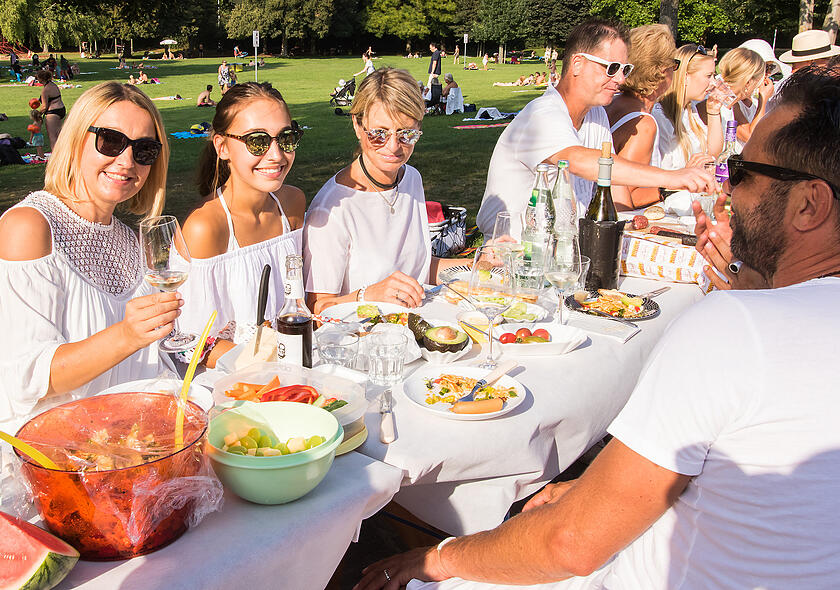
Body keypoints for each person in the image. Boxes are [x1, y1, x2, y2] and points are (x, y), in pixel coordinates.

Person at [357, 66, 840, 590]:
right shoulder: (758, 319)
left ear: (810, 204)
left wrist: (438, 559)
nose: (727, 191)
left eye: (742, 173)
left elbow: (569, 545)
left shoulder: (733, 328)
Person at [0, 81, 174, 443]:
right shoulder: (29, 228)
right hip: (28, 457)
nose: (126, 161)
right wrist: (126, 335)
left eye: (144, 150)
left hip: (110, 447)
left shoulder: (131, 241)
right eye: (111, 140)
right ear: (75, 140)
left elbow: (144, 363)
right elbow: (27, 377)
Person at [476, 19, 713, 237]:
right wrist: (673, 179)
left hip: (567, 251)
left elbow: (611, 181)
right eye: (611, 68)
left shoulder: (596, 113)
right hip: (513, 254)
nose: (620, 79)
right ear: (577, 64)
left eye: (625, 69)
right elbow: (580, 161)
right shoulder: (542, 114)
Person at [303, 67, 460, 312]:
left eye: (407, 134)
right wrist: (368, 295)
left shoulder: (411, 179)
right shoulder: (331, 210)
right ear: (357, 124)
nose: (393, 147)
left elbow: (419, 268)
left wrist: (478, 266)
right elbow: (317, 308)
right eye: (378, 133)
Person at [180, 82, 305, 351]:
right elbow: (194, 346)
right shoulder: (206, 227)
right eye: (257, 141)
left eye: (286, 138)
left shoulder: (293, 204)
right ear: (222, 147)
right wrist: (270, 362)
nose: (276, 155)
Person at [604, 24, 690, 209]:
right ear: (661, 70)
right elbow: (626, 195)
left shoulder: (612, 101)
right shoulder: (643, 124)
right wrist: (679, 181)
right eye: (674, 65)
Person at [652, 43, 723, 171]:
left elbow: (713, 155)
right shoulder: (660, 115)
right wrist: (687, 173)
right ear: (685, 77)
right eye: (709, 76)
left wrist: (713, 111)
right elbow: (659, 176)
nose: (714, 83)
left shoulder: (690, 111)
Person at [708, 47, 773, 149]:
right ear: (748, 82)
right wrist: (763, 99)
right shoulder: (718, 100)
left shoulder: (731, 103)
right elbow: (752, 138)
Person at [36, 69, 66, 151]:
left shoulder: (45, 90)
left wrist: (38, 114)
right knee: (58, 134)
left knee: (52, 136)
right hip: (61, 109)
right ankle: (64, 154)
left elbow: (44, 107)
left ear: (41, 79)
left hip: (52, 112)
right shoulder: (53, 85)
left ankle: (55, 157)